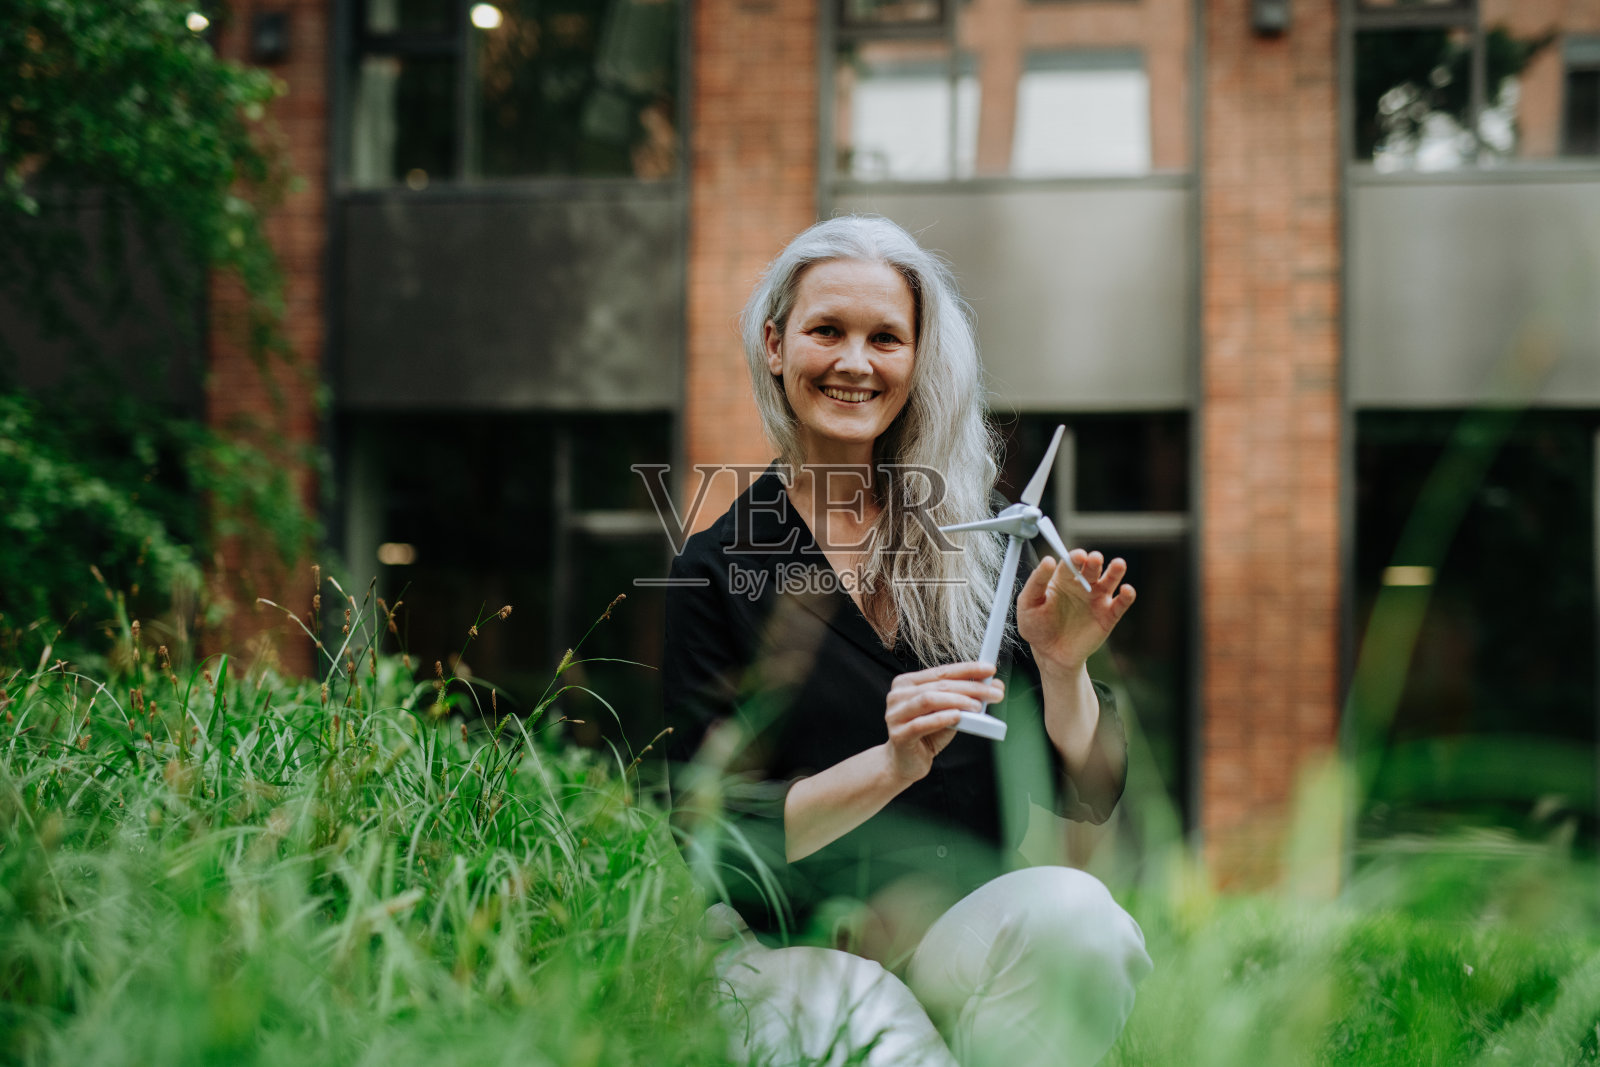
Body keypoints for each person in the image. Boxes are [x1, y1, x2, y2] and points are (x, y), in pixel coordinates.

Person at [661, 215, 1152, 1067]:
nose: (856, 362)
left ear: (918, 360)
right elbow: (713, 836)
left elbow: (1094, 787)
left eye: (885, 337)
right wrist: (889, 764)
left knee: (1083, 920)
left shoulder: (977, 547)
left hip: (958, 933)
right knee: (861, 1027)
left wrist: (1063, 665)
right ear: (776, 345)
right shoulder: (718, 570)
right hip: (793, 946)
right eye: (827, 331)